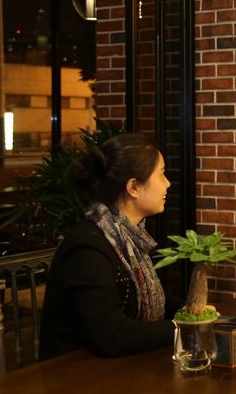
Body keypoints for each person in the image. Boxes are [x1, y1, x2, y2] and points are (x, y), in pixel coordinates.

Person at [39, 133, 182, 360]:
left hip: (117, 368)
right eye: (161, 174)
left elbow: (149, 296)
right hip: (74, 373)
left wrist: (192, 311)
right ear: (134, 187)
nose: (168, 183)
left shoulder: (127, 238)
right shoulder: (87, 247)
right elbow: (113, 336)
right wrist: (182, 327)